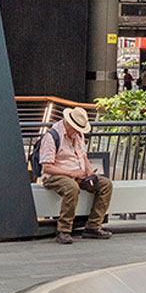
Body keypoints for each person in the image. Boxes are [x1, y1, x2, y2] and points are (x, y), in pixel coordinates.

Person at [38, 105, 113, 245]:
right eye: (76, 128)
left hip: (79, 174)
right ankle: (64, 230)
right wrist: (71, 173)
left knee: (105, 185)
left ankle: (93, 225)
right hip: (56, 176)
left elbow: (83, 155)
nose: (78, 131)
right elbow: (47, 167)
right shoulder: (52, 136)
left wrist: (89, 172)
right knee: (71, 187)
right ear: (67, 123)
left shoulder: (78, 134)